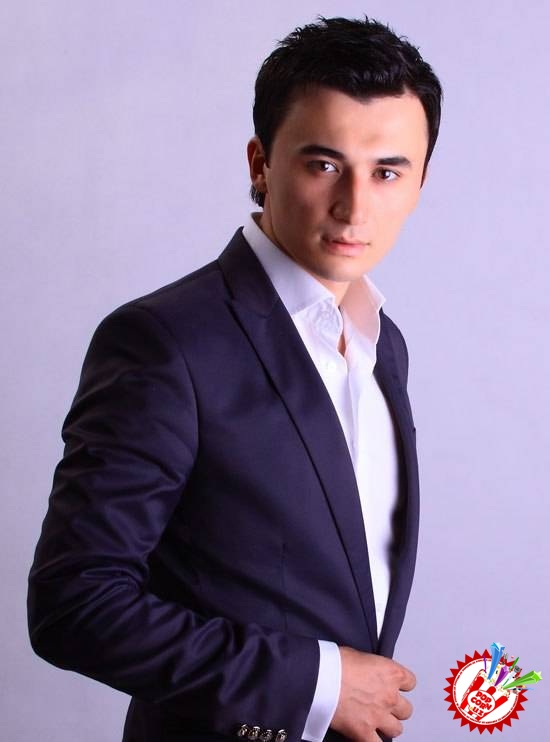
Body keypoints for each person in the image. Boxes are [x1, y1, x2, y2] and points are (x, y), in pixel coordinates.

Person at [28, 16, 442, 742]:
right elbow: (75, 602)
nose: (354, 207)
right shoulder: (165, 343)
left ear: (420, 181)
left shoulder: (384, 345)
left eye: (387, 172)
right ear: (260, 163)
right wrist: (315, 686)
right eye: (323, 165)